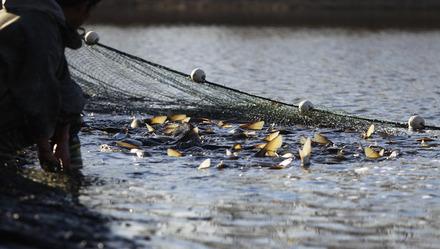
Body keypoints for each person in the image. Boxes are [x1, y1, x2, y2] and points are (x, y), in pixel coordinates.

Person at [0, 0, 101, 171]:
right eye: (88, 12)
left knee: (70, 110)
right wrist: (44, 148)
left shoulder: (24, 12)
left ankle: (70, 174)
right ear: (83, 8)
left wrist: (62, 139)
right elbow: (38, 91)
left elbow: (64, 85)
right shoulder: (38, 25)